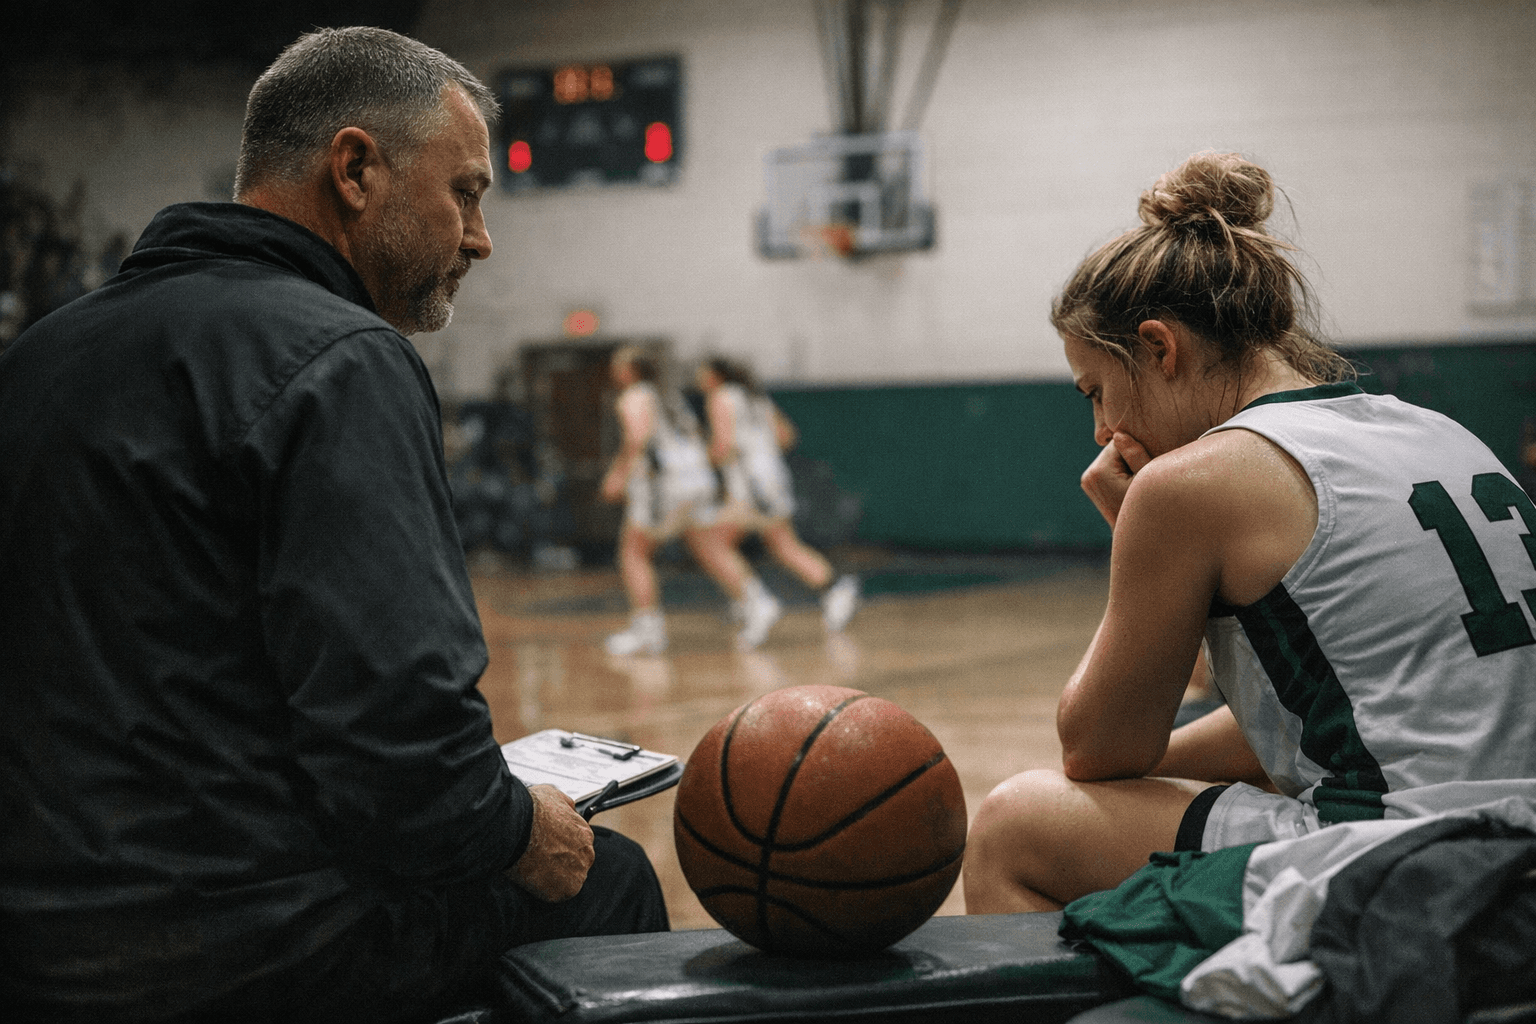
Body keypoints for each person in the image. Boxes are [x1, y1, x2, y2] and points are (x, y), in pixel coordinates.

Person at [0, 27, 666, 1024]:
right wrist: (529, 829)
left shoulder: (37, 356)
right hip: (237, 950)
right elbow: (408, 760)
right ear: (355, 170)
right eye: (466, 194)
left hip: (35, 943)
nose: (480, 238)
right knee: (605, 877)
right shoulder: (339, 358)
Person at [963, 151, 1536, 914]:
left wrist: (1132, 529)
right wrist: (1164, 767)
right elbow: (1343, 711)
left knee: (1014, 826)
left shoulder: (1193, 482)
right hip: (1514, 833)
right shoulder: (1434, 430)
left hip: (1419, 859)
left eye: (1096, 392)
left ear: (1160, 348)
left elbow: (1095, 746)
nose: (1101, 429)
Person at [599, 347, 782, 653]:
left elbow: (638, 438)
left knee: (634, 552)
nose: (613, 371)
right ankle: (757, 600)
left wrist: (618, 476)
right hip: (697, 479)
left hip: (665, 484)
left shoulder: (635, 396)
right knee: (705, 545)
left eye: (617, 365)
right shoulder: (670, 397)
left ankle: (648, 629)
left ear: (630, 371)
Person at [695, 355, 859, 633]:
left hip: (751, 486)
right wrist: (760, 450)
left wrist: (698, 463)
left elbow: (723, 447)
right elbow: (787, 436)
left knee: (711, 543)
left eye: (702, 373)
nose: (698, 380)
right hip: (774, 477)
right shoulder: (756, 399)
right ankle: (835, 589)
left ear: (715, 375)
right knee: (783, 545)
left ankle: (755, 600)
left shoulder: (720, 397)